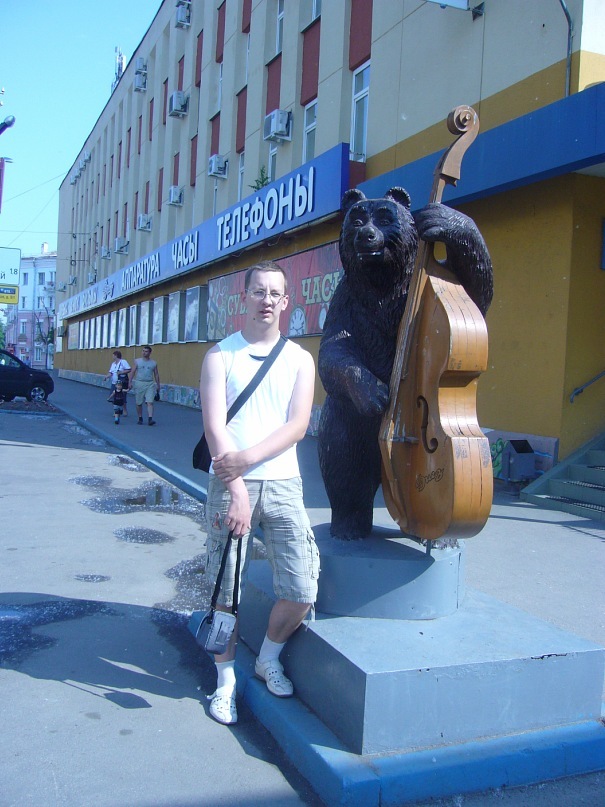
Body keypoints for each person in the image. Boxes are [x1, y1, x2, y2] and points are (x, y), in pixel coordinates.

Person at [199, 260, 318, 726]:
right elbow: (215, 428)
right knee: (224, 590)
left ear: (285, 301)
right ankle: (225, 680)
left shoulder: (299, 359)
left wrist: (247, 459)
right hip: (232, 486)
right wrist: (238, 490)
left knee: (302, 586)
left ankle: (268, 658)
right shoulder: (220, 356)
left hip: (285, 483)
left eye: (275, 293)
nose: (266, 300)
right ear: (244, 297)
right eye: (258, 291)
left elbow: (297, 425)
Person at [129, 345, 160, 425]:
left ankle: (150, 419)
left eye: (146, 351)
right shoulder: (137, 361)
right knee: (139, 402)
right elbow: (132, 372)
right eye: (143, 351)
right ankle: (140, 417)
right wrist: (130, 382)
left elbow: (156, 374)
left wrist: (158, 385)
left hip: (149, 383)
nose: (144, 353)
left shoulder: (153, 363)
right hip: (139, 382)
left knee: (150, 402)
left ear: (150, 353)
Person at [104, 350, 131, 417]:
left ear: (116, 355)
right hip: (114, 383)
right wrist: (106, 377)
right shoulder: (113, 364)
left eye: (113, 355)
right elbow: (111, 372)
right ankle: (116, 411)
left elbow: (129, 369)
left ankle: (124, 410)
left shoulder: (123, 362)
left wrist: (121, 372)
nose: (112, 356)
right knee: (114, 396)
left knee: (122, 396)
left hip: (121, 383)